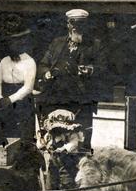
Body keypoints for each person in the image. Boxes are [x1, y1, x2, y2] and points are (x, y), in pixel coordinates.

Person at [37, 9, 102, 150]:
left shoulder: (94, 44)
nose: (76, 28)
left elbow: (103, 69)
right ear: (68, 24)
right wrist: (47, 73)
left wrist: (89, 70)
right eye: (73, 24)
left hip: (80, 100)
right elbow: (43, 65)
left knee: (81, 141)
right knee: (54, 139)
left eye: (80, 24)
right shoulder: (57, 43)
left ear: (86, 25)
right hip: (56, 100)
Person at [0, 17, 37, 141]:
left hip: (22, 104)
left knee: (22, 137)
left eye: (17, 41)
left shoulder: (29, 61)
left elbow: (28, 87)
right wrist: (0, 97)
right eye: (10, 42)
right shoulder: (4, 61)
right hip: (4, 103)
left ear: (22, 42)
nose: (13, 44)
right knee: (5, 136)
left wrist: (10, 99)